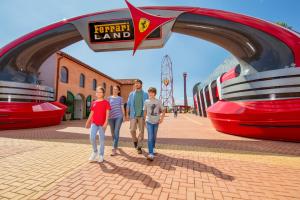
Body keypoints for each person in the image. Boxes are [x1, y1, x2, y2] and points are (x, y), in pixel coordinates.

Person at [85, 86, 111, 163]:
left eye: (100, 92)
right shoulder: (94, 102)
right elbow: (91, 113)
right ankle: (95, 151)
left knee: (101, 140)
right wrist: (87, 121)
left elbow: (107, 113)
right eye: (97, 92)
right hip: (94, 123)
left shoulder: (106, 102)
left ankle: (101, 155)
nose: (98, 93)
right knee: (92, 137)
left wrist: (106, 122)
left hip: (102, 124)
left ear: (103, 93)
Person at [126, 79, 148, 154]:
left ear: (141, 84)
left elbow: (148, 105)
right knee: (132, 130)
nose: (136, 85)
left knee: (141, 132)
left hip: (142, 115)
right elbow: (128, 104)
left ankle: (139, 147)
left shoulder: (145, 94)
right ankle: (135, 141)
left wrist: (147, 115)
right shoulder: (131, 94)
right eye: (135, 84)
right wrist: (127, 114)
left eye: (138, 83)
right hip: (133, 115)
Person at [143, 87, 165, 161]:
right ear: (148, 93)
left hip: (156, 121)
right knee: (150, 137)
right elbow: (144, 111)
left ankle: (153, 147)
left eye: (152, 92)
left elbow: (163, 110)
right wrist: (144, 120)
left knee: (154, 136)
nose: (151, 94)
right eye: (149, 92)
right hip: (148, 121)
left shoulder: (158, 101)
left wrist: (161, 119)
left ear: (155, 93)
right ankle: (151, 154)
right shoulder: (146, 101)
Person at [108, 86, 125, 156]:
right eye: (114, 89)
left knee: (116, 131)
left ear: (118, 91)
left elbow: (122, 107)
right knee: (112, 132)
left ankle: (114, 148)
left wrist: (124, 116)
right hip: (110, 117)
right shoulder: (109, 98)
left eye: (116, 90)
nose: (114, 90)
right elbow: (107, 108)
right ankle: (116, 144)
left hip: (119, 116)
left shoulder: (120, 98)